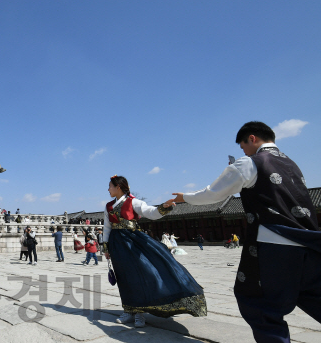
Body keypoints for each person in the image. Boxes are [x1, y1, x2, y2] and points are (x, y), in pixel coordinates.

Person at [165, 121, 320, 343]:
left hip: (275, 245)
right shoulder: (291, 163)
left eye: (243, 146)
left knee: (259, 303)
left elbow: (214, 193)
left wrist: (184, 197)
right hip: (309, 244)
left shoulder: (251, 162)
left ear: (252, 138)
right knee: (313, 296)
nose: (243, 151)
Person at [104, 175, 206, 328]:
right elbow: (107, 227)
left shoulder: (133, 202)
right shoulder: (108, 206)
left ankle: (139, 313)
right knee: (123, 277)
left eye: (110, 186)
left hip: (133, 242)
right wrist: (105, 247)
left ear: (118, 187)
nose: (108, 189)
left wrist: (163, 207)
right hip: (117, 244)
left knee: (139, 276)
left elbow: (150, 212)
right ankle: (128, 310)